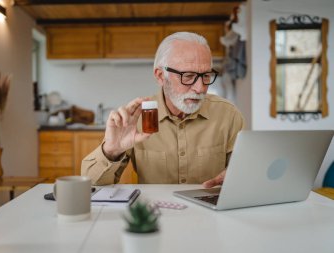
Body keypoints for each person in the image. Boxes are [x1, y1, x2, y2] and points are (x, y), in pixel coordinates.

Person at [81, 32, 244, 188]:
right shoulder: (136, 117)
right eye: (188, 76)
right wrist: (111, 150)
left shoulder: (228, 115)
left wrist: (238, 175)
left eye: (206, 76)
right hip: (153, 214)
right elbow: (90, 184)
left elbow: (247, 172)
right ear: (160, 76)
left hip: (211, 214)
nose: (200, 88)